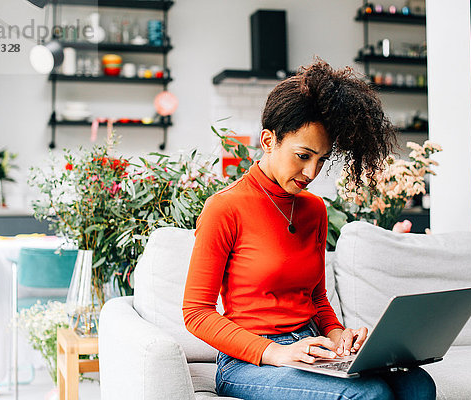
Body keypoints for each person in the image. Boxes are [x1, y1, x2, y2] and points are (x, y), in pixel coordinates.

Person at [182, 59, 436, 400]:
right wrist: (276, 352)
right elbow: (196, 312)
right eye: (303, 155)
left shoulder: (315, 209)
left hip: (313, 347)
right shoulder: (225, 208)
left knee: (417, 385)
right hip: (249, 361)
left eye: (321, 159)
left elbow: (316, 298)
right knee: (369, 394)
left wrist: (336, 334)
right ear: (269, 140)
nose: (311, 172)